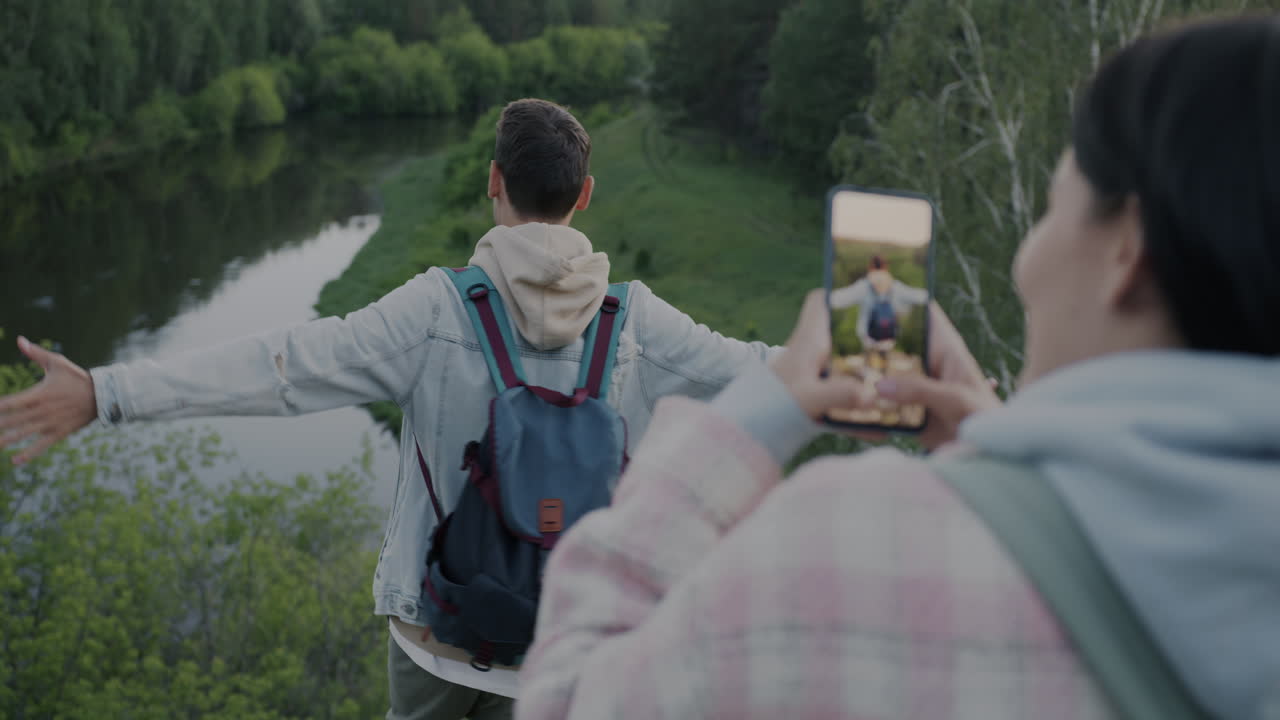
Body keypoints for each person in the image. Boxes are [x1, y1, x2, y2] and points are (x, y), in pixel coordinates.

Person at [516, 15, 1279, 720]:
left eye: (1052, 207)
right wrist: (1014, 479)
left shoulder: (850, 546)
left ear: (1127, 252)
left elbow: (569, 698)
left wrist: (739, 429)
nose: (1026, 264)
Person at [0, 98, 780, 720]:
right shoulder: (639, 325)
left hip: (432, 636)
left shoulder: (435, 310)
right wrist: (885, 353)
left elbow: (284, 368)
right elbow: (773, 378)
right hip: (564, 646)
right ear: (585, 195)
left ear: (492, 181)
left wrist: (107, 394)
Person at [829, 254, 928, 353]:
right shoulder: (895, 286)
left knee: (871, 364)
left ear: (870, 267)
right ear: (886, 267)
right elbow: (919, 296)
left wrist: (824, 296)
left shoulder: (864, 286)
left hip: (868, 339)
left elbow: (839, 299)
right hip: (889, 338)